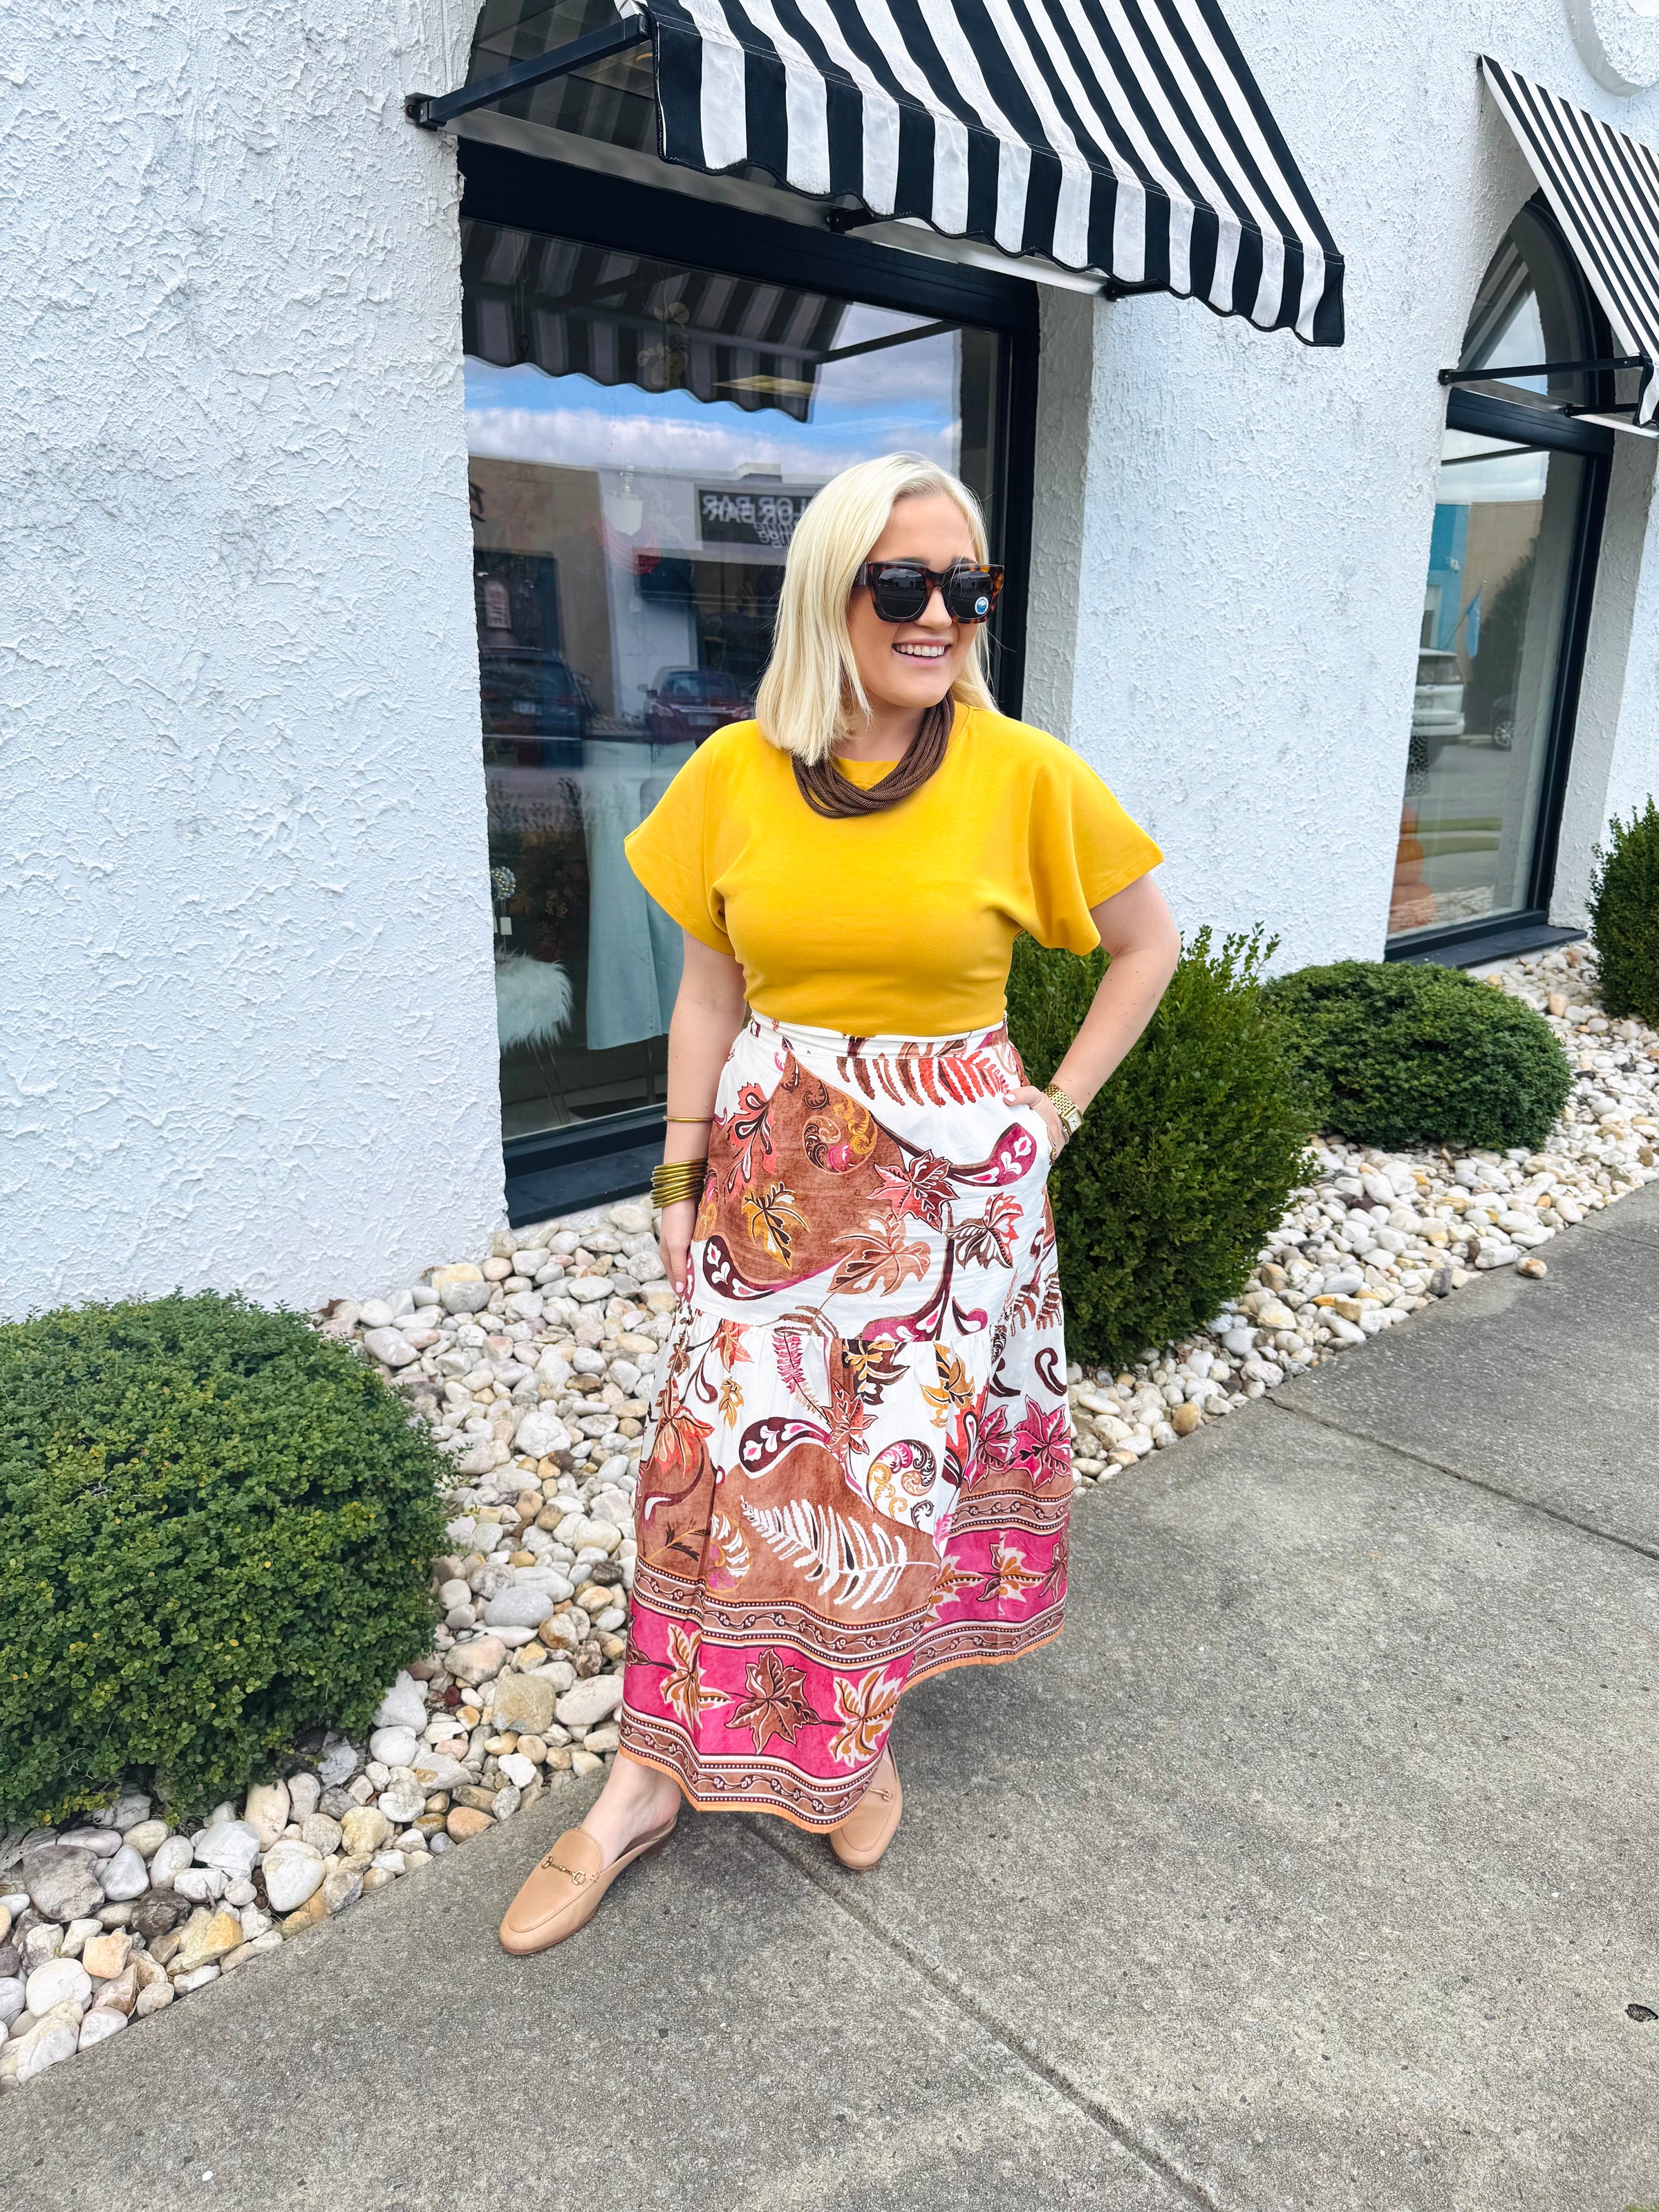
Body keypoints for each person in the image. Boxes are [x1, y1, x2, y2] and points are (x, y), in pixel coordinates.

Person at [498, 452, 1181, 1953]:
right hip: (768, 1183)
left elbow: (1149, 945)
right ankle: (643, 1782)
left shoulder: (1023, 773)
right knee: (707, 1468)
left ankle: (852, 1742)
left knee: (885, 1482)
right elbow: (707, 993)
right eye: (904, 584)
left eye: (966, 586)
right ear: (830, 594)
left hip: (952, 1211)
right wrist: (677, 1168)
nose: (939, 614)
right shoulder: (735, 775)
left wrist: (1052, 1113)